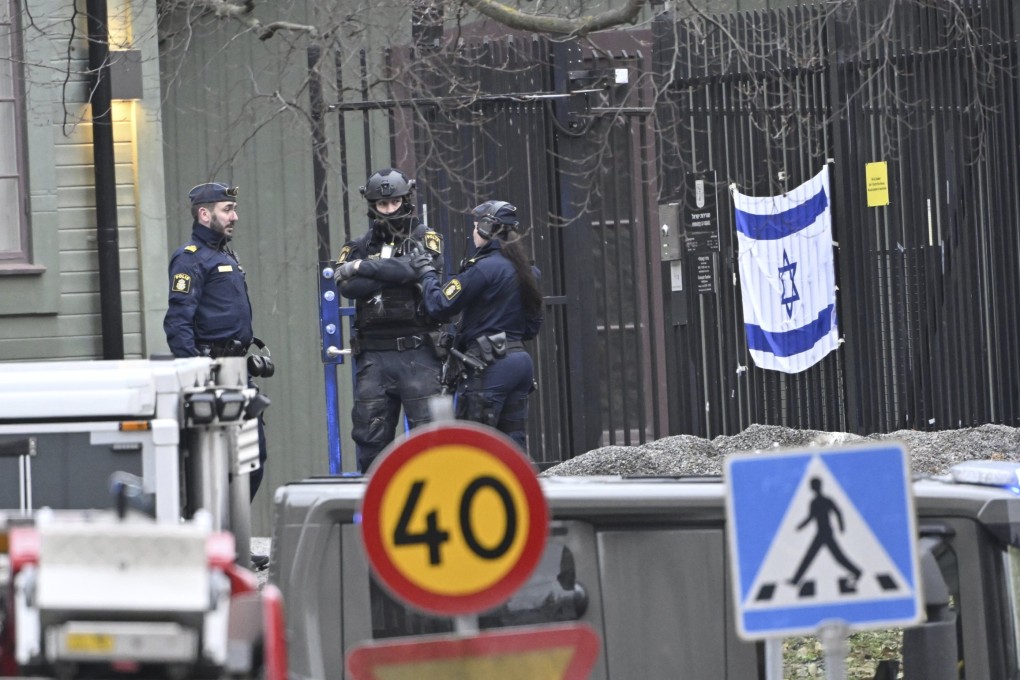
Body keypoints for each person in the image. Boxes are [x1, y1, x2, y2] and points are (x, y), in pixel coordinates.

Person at [163, 181, 270, 570]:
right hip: (214, 374)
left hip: (239, 371)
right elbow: (178, 323)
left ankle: (232, 546)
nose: (235, 216)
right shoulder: (190, 259)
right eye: (228, 209)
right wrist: (198, 372)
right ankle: (215, 551)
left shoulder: (225, 256)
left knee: (251, 461)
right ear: (204, 214)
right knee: (212, 467)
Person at [334, 168, 446, 473]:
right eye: (382, 204)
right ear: (372, 205)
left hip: (418, 353)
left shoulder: (426, 237)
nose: (388, 209)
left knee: (431, 443)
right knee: (371, 445)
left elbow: (422, 270)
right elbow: (347, 286)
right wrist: (396, 272)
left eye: (394, 202)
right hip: (374, 356)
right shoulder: (356, 245)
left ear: (405, 200)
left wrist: (364, 268)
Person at [411, 200, 543, 453]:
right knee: (512, 447)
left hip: (489, 366)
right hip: (519, 363)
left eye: (475, 226)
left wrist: (426, 274)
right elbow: (532, 326)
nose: (472, 233)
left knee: (473, 447)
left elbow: (439, 305)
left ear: (486, 228)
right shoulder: (528, 270)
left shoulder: (483, 268)